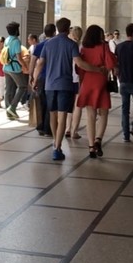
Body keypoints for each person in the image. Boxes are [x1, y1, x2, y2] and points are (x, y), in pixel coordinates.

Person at [34, 17, 106, 161]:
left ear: (57, 28)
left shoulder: (48, 43)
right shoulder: (71, 44)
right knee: (62, 117)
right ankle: (57, 147)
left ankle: (55, 143)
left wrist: (35, 79)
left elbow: (40, 63)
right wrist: (97, 69)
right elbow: (79, 63)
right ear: (68, 29)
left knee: (52, 114)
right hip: (65, 85)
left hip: (49, 85)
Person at [76, 24, 116, 158]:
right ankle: (98, 139)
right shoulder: (103, 47)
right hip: (101, 80)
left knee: (90, 115)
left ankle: (91, 146)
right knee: (103, 113)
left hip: (87, 81)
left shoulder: (84, 48)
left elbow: (80, 68)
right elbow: (111, 63)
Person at [115, 22, 133, 143]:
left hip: (123, 81)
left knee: (125, 109)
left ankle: (126, 135)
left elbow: (116, 65)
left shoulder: (119, 47)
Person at [29, 23, 56, 137]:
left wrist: (31, 75)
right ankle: (47, 128)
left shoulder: (39, 45)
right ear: (54, 32)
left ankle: (40, 126)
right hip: (52, 77)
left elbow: (33, 61)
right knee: (50, 102)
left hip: (41, 77)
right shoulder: (55, 45)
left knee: (41, 102)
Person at [2, 21, 28, 120]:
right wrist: (25, 66)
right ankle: (12, 107)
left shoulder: (7, 39)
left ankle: (8, 110)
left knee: (8, 89)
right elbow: (19, 58)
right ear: (16, 30)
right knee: (22, 86)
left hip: (6, 67)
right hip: (14, 68)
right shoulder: (16, 41)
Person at [65, 25, 83, 139]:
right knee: (77, 105)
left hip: (67, 78)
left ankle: (67, 128)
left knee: (69, 105)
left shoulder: (68, 45)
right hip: (78, 78)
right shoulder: (81, 47)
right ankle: (74, 131)